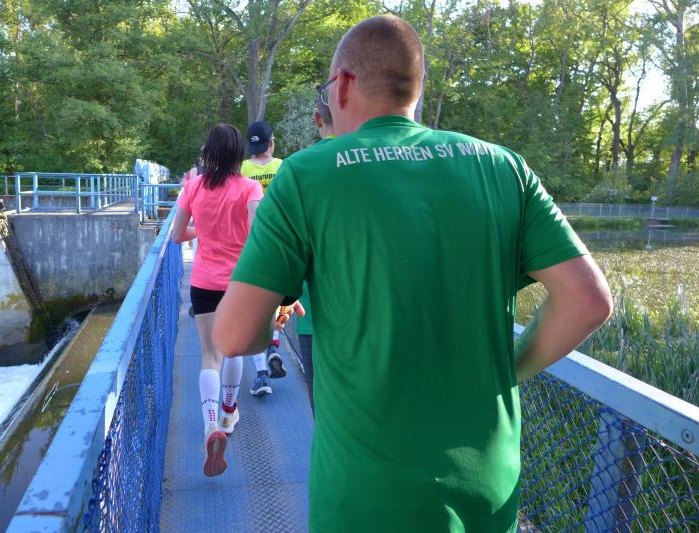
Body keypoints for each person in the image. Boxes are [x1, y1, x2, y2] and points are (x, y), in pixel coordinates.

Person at [213, 15, 613, 532]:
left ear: (343, 84)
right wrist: (505, 371)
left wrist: (273, 314)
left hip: (364, 502)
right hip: (488, 495)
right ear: (416, 87)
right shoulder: (504, 168)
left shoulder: (307, 176)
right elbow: (588, 301)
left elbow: (234, 335)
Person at [171, 124, 263, 477]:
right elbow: (258, 234)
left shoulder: (193, 187)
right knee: (234, 350)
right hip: (239, 283)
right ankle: (228, 413)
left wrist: (204, 232)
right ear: (239, 153)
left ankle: (210, 423)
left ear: (208, 152)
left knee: (210, 355)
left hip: (204, 282)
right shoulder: (250, 188)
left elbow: (177, 235)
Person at [240, 120, 287, 396]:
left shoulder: (243, 169)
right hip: (279, 243)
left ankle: (261, 374)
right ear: (272, 142)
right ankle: (274, 343)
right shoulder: (282, 166)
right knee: (278, 301)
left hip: (251, 245)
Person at [295, 97, 336, 416]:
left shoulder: (300, 170)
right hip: (365, 316)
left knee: (316, 385)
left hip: (310, 313)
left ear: (317, 119)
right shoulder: (380, 166)